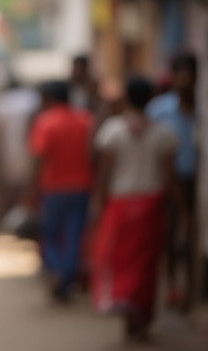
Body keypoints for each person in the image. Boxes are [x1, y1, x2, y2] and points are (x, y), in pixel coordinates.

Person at [89, 76, 182, 339]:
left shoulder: (113, 130)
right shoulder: (163, 133)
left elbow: (105, 174)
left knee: (121, 260)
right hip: (151, 206)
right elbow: (171, 177)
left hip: (120, 205)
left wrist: (98, 203)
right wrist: (182, 210)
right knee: (146, 263)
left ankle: (127, 310)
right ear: (152, 99)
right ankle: (141, 316)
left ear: (126, 98)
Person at [24, 80, 94, 303]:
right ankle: (67, 276)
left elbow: (39, 158)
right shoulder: (86, 120)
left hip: (53, 188)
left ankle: (57, 270)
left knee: (50, 235)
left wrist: (31, 189)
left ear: (50, 98)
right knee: (74, 235)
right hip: (82, 187)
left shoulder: (45, 122)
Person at [145, 52, 197, 313]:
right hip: (167, 184)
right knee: (168, 238)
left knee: (193, 240)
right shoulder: (159, 110)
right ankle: (173, 287)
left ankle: (192, 291)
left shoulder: (201, 109)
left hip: (196, 185)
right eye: (180, 76)